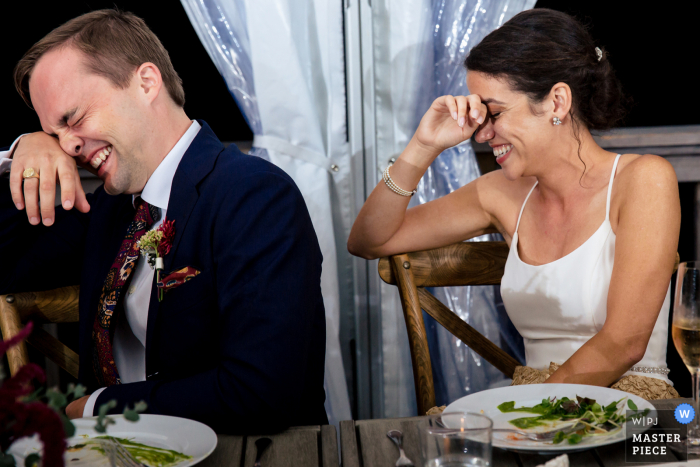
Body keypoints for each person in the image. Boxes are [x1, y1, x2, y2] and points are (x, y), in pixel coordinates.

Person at [0, 9, 328, 431]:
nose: (69, 144)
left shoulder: (255, 195)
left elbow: (261, 394)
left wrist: (102, 406)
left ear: (146, 82)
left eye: (73, 118)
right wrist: (21, 153)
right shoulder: (108, 210)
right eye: (54, 133)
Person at [348, 9, 680, 399]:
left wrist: (520, 415)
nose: (482, 132)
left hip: (630, 409)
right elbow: (368, 240)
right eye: (479, 115)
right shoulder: (499, 194)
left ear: (557, 102)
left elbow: (624, 342)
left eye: (496, 112)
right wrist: (424, 145)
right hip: (531, 405)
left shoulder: (644, 179)